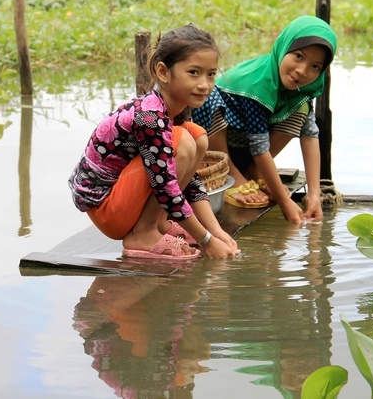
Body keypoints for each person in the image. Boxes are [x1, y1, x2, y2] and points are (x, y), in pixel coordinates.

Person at [69, 24, 239, 260]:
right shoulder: (150, 118)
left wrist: (215, 230)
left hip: (127, 196)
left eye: (211, 74)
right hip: (107, 208)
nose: (204, 84)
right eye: (194, 72)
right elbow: (166, 187)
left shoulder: (177, 109)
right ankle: (144, 233)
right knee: (183, 140)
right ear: (163, 72)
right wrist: (206, 241)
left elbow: (189, 181)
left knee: (197, 136)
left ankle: (159, 225)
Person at [191, 15, 337, 224]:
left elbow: (310, 134)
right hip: (215, 149)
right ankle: (232, 175)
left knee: (301, 108)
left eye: (315, 67)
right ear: (284, 47)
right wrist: (283, 200)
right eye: (298, 56)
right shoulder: (259, 83)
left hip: (250, 149)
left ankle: (253, 169)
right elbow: (259, 146)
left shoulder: (302, 89)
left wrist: (314, 195)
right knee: (209, 98)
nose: (302, 71)